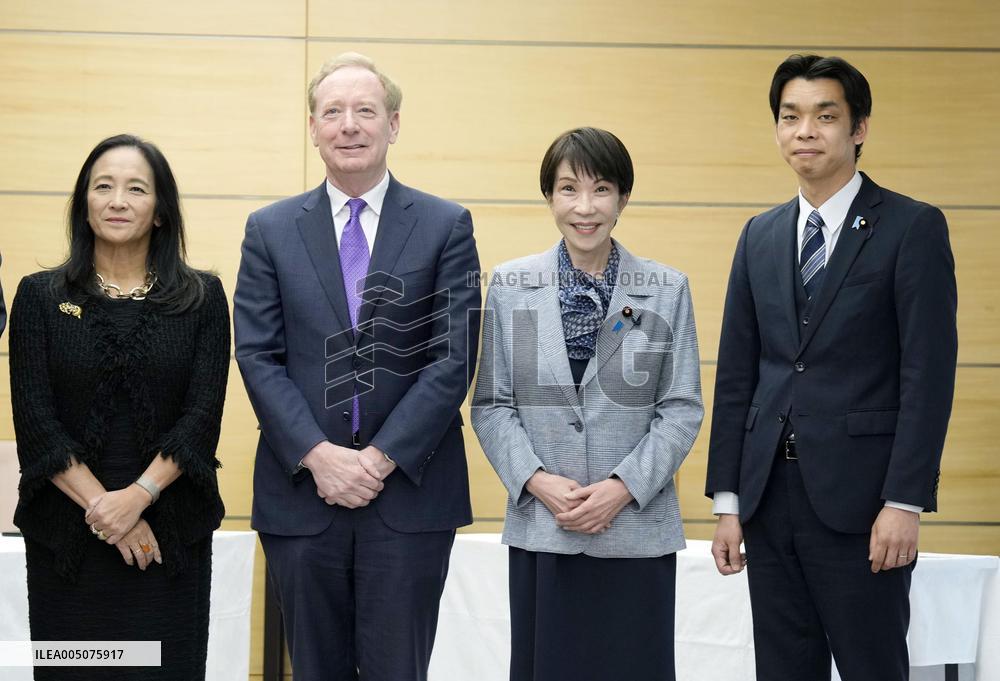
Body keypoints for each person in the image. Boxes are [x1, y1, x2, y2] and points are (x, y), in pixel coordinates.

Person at [705, 55, 958, 681]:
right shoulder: (759, 235)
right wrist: (728, 501)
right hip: (769, 499)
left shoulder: (912, 227)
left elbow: (928, 377)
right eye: (790, 117)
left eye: (825, 116)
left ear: (859, 128)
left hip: (864, 503)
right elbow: (737, 377)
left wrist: (905, 500)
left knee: (873, 666)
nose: (805, 131)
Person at [234, 52, 481, 681]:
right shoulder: (269, 230)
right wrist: (318, 456)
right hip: (302, 496)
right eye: (333, 112)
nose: (349, 125)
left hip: (409, 496)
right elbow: (258, 355)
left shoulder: (445, 225)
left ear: (393, 124)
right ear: (312, 128)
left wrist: (378, 459)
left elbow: (453, 357)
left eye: (366, 111)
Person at [471, 127, 703, 681]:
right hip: (544, 525)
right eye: (568, 189)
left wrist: (622, 489)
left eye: (601, 190)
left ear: (623, 197)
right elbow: (491, 405)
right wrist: (537, 481)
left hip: (635, 532)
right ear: (549, 197)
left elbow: (681, 408)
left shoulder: (665, 288)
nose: (585, 207)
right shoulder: (510, 285)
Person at [8, 134, 230, 680]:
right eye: (103, 187)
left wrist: (138, 497)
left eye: (136, 189)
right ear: (84, 203)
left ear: (160, 210)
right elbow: (36, 423)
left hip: (168, 541)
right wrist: (108, 514)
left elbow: (201, 420)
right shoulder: (40, 296)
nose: (117, 201)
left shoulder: (202, 298)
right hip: (67, 544)